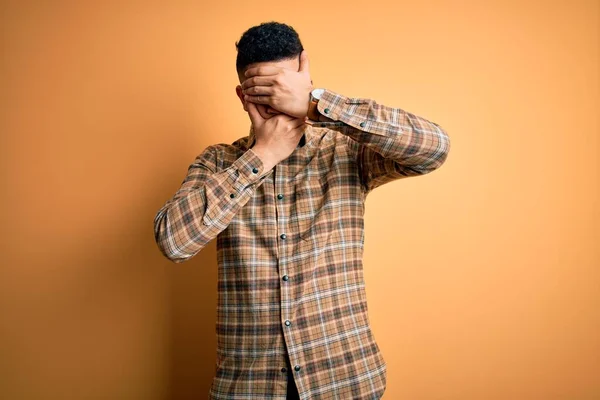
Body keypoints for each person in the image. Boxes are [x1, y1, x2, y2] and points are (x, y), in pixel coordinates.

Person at [154, 21, 451, 400]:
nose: (277, 105)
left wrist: (318, 104)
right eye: (264, 93)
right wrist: (264, 154)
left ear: (304, 79)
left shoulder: (343, 150)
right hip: (249, 389)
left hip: (346, 381)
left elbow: (435, 148)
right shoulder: (218, 163)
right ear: (242, 96)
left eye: (284, 90)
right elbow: (173, 242)